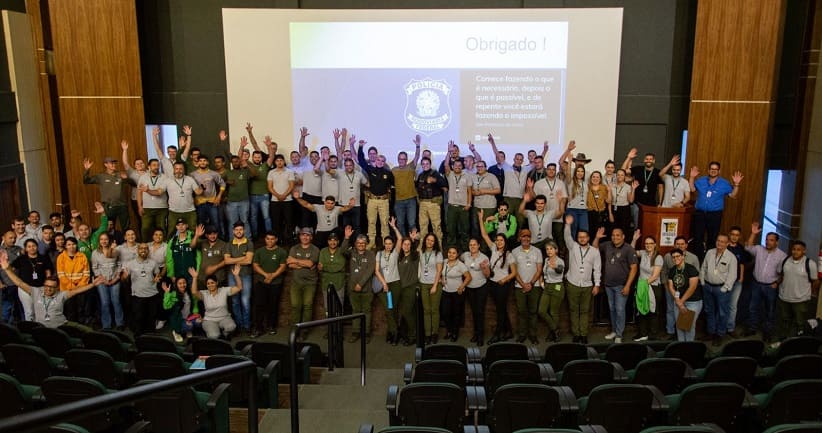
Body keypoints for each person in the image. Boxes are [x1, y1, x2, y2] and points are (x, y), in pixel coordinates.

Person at [0, 253, 102, 330]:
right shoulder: (36, 292)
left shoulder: (61, 295)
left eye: (52, 287)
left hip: (61, 327)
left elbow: (77, 290)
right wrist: (7, 269)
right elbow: (19, 283)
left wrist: (92, 284)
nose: (48, 289)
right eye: (46, 286)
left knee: (88, 331)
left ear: (57, 288)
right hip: (41, 329)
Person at [689, 162, 744, 258]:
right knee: (698, 237)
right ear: (708, 170)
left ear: (719, 171)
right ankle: (698, 259)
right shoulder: (701, 180)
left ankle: (710, 259)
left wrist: (736, 185)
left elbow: (733, 195)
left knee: (712, 238)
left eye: (716, 169)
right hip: (700, 214)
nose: (713, 171)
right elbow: (692, 189)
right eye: (711, 169)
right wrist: (692, 177)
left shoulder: (724, 183)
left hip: (714, 215)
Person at [744, 222, 787, 342]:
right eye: (767, 240)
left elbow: (784, 273)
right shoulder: (759, 249)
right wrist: (753, 234)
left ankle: (767, 332)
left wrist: (777, 283)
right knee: (753, 307)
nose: (768, 242)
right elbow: (747, 247)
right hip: (756, 284)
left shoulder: (782, 255)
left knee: (770, 310)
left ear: (777, 242)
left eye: (771, 240)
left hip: (770, 286)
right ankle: (752, 328)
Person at [593, 226, 638, 344]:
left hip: (622, 286)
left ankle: (619, 334)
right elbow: (594, 248)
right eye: (613, 235)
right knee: (612, 309)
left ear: (623, 237)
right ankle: (614, 331)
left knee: (619, 310)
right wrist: (597, 238)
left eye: (618, 235)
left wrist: (628, 285)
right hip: (608, 285)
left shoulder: (629, 249)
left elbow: (634, 268)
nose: (615, 237)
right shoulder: (607, 245)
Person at [563, 214, 601, 344]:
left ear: (588, 238)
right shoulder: (573, 247)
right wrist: (568, 225)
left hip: (587, 285)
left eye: (584, 237)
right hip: (572, 283)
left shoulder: (595, 252)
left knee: (585, 311)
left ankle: (583, 334)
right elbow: (567, 237)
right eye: (580, 237)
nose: (582, 239)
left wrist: (597, 285)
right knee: (573, 310)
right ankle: (576, 334)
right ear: (577, 238)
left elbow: (597, 269)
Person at [776, 240, 819, 342]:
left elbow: (815, 281)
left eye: (798, 250)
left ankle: (796, 342)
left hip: (801, 300)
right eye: (794, 249)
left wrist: (810, 293)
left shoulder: (810, 263)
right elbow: (780, 275)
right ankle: (783, 340)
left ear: (804, 251)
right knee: (784, 320)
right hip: (784, 298)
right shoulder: (785, 260)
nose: (795, 252)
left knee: (799, 322)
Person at [660, 236, 701, 339]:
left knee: (688, 326)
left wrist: (681, 302)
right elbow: (671, 286)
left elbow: (692, 287)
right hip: (678, 300)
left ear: (683, 256)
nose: (675, 258)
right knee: (680, 326)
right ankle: (681, 347)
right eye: (673, 257)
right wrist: (678, 301)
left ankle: (688, 350)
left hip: (692, 301)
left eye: (678, 256)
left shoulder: (691, 268)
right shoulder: (673, 270)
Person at [700, 233, 738, 346]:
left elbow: (733, 275)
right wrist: (702, 281)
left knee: (722, 313)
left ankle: (720, 334)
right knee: (709, 310)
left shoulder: (731, 257)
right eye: (718, 240)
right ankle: (711, 332)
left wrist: (725, 289)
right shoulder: (710, 252)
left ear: (727, 244)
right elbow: (703, 267)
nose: (719, 243)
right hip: (707, 286)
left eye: (722, 241)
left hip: (721, 289)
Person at [188, 265, 243, 339]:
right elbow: (194, 292)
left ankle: (224, 334)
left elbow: (239, 287)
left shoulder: (223, 290)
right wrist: (194, 278)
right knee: (214, 336)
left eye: (212, 283)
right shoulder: (204, 294)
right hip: (209, 320)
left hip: (224, 318)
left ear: (216, 283)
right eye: (208, 283)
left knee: (232, 327)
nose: (210, 285)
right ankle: (216, 333)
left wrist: (236, 275)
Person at [358, 144, 394, 250]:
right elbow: (361, 161)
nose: (380, 162)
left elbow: (393, 185)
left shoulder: (388, 173)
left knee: (384, 222)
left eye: (382, 161)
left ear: (384, 163)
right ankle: (372, 242)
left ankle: (385, 243)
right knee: (371, 221)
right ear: (375, 160)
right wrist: (360, 147)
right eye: (378, 160)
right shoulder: (370, 170)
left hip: (384, 201)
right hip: (372, 200)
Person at [251, 231, 288, 337]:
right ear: (265, 239)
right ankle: (258, 328)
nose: (270, 241)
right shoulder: (259, 251)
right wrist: (266, 275)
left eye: (272, 239)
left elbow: (282, 266)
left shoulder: (281, 252)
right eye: (268, 239)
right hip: (262, 282)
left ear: (276, 239)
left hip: (276, 283)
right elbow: (255, 265)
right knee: (259, 305)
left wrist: (272, 276)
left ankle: (271, 326)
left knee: (273, 305)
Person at [121, 243, 162, 336]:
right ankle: (138, 338)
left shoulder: (153, 263)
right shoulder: (130, 263)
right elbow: (123, 279)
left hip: (152, 294)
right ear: (137, 250)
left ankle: (151, 336)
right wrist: (124, 276)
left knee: (151, 317)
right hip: (137, 295)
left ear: (148, 250)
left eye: (146, 248)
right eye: (141, 248)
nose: (143, 250)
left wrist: (158, 278)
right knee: (138, 317)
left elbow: (157, 275)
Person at [374, 219, 404, 344]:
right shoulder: (379, 254)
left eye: (390, 243)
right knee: (388, 309)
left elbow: (400, 239)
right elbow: (376, 270)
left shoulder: (395, 254)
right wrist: (384, 283)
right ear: (384, 244)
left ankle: (391, 332)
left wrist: (394, 227)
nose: (388, 245)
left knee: (393, 308)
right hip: (384, 285)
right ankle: (395, 332)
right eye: (386, 243)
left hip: (395, 284)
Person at [510, 228, 543, 344]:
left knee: (533, 312)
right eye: (523, 236)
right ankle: (522, 335)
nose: (526, 238)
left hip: (535, 286)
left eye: (528, 236)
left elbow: (539, 270)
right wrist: (523, 284)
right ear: (520, 238)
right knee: (521, 312)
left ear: (531, 238)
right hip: (520, 287)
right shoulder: (514, 252)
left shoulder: (537, 251)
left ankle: (533, 335)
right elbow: (514, 271)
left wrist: (531, 284)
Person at [287, 227, 320, 338]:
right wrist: (304, 264)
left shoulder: (315, 249)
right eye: (303, 235)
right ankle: (295, 330)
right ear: (299, 236)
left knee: (307, 305)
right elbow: (289, 264)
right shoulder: (294, 248)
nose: (305, 237)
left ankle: (304, 330)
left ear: (311, 237)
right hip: (296, 282)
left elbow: (310, 263)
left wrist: (295, 261)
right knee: (295, 306)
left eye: (307, 235)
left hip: (310, 283)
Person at [245, 125, 277, 238]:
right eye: (255, 157)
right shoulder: (248, 166)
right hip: (252, 196)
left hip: (264, 196)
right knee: (253, 217)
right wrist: (249, 132)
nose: (257, 158)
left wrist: (269, 146)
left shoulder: (265, 165)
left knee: (266, 217)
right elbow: (254, 145)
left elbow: (272, 156)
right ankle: (254, 236)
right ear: (252, 158)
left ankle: (269, 236)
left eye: (259, 157)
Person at [83, 156, 130, 231]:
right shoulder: (100, 176)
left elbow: (133, 184)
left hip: (122, 205)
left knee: (126, 228)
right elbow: (86, 181)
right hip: (108, 206)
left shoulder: (120, 174)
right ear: (106, 165)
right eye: (111, 163)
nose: (114, 164)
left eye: (114, 163)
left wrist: (127, 178)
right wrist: (87, 169)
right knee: (109, 228)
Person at [12, 239, 53, 322]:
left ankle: (40, 329)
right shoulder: (21, 259)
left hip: (41, 288)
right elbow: (11, 269)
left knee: (41, 310)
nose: (32, 248)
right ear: (26, 249)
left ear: (37, 247)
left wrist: (48, 285)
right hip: (25, 288)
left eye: (33, 246)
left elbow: (48, 271)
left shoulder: (43, 258)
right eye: (29, 246)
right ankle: (30, 331)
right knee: (29, 312)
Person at [632, 233, 663, 341]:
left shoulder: (658, 257)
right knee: (641, 310)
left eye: (650, 243)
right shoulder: (643, 253)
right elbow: (630, 252)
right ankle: (642, 333)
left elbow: (655, 276)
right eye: (646, 243)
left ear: (655, 244)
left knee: (652, 311)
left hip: (652, 287)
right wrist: (634, 239)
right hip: (642, 286)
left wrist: (643, 284)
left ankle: (653, 335)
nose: (648, 245)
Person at [224, 222, 254, 334]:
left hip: (246, 275)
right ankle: (238, 325)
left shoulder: (249, 243)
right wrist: (242, 258)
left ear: (244, 230)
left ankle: (246, 326)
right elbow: (227, 261)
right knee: (235, 301)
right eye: (236, 230)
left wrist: (234, 259)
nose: (239, 231)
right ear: (233, 231)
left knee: (245, 300)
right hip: (232, 275)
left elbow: (249, 261)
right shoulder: (229, 244)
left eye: (241, 229)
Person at [346, 234, 376, 342]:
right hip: (353, 289)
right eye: (358, 243)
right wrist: (346, 238)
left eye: (363, 243)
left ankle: (366, 333)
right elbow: (342, 251)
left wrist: (361, 284)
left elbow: (370, 270)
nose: (361, 245)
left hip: (366, 289)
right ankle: (355, 332)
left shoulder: (371, 254)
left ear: (366, 244)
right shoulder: (351, 253)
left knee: (366, 311)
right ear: (355, 244)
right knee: (355, 311)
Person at [460, 238, 489, 345]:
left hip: (481, 287)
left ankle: (480, 336)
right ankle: (476, 334)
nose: (472, 246)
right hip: (470, 288)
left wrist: (484, 268)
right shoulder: (465, 255)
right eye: (470, 245)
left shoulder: (484, 258)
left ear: (479, 246)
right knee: (473, 311)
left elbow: (488, 275)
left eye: (474, 244)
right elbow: (459, 260)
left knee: (480, 312)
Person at [91, 233, 123, 330]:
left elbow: (119, 265)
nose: (104, 241)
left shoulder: (116, 251)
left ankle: (120, 323)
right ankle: (106, 325)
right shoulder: (95, 253)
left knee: (116, 301)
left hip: (115, 280)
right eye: (101, 239)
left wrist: (115, 279)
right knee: (105, 302)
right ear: (99, 241)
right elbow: (95, 268)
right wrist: (103, 280)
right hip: (101, 281)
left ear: (109, 240)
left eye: (106, 239)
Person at [56, 237, 90, 323]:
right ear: (65, 246)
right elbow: (61, 274)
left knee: (81, 309)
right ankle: (72, 328)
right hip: (66, 289)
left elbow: (86, 274)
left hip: (81, 288)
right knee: (70, 310)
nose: (71, 246)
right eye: (69, 244)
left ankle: (82, 328)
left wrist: (79, 286)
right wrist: (71, 287)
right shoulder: (61, 257)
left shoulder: (82, 256)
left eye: (73, 244)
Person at [392, 136, 421, 236]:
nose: (401, 161)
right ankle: (403, 241)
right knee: (400, 223)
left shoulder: (410, 167)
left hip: (411, 200)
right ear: (397, 159)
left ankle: (412, 242)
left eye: (403, 159)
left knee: (412, 223)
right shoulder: (394, 170)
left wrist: (417, 146)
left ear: (406, 160)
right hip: (398, 201)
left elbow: (417, 156)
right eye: (400, 159)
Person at [419, 233, 444, 344]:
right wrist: (414, 238)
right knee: (426, 310)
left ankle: (434, 334)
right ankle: (427, 334)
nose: (430, 242)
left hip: (435, 285)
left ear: (435, 243)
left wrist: (434, 285)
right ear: (425, 241)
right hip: (423, 284)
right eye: (428, 240)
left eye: (432, 241)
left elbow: (439, 270)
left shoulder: (438, 254)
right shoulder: (421, 252)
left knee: (434, 310)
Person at [444, 158, 474, 252]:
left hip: (463, 207)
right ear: (453, 167)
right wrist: (448, 152)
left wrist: (469, 204)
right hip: (452, 206)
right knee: (450, 228)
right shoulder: (450, 174)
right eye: (455, 165)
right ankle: (451, 248)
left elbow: (469, 191)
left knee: (465, 229)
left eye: (459, 165)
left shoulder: (467, 176)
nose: (457, 167)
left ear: (462, 167)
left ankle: (465, 249)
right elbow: (446, 165)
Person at [319, 228, 350, 318]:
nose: (333, 242)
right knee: (327, 308)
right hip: (326, 283)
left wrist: (326, 267)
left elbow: (340, 266)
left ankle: (338, 330)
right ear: (327, 241)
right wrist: (327, 267)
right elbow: (320, 267)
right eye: (330, 240)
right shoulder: (323, 251)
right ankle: (330, 330)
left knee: (338, 307)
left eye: (335, 240)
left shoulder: (342, 251)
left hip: (339, 282)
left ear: (338, 241)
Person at [166, 161, 203, 234]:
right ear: (173, 169)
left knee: (193, 231)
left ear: (184, 170)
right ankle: (169, 245)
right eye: (176, 169)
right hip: (174, 211)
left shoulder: (190, 179)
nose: (178, 171)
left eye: (180, 169)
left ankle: (193, 245)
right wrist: (148, 190)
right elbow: (159, 192)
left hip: (190, 211)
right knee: (171, 231)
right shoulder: (168, 180)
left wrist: (202, 188)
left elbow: (198, 192)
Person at [396, 230, 420, 346]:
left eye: (408, 244)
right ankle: (406, 334)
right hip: (401, 288)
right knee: (407, 312)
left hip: (411, 288)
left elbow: (418, 249)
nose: (406, 246)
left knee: (407, 312)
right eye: (404, 244)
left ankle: (413, 336)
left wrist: (415, 240)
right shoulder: (399, 258)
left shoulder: (414, 256)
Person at [415, 157, 447, 244]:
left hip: (433, 203)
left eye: (427, 164)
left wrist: (435, 180)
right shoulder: (420, 175)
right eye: (423, 164)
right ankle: (422, 245)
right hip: (423, 203)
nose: (425, 165)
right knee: (423, 226)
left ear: (430, 164)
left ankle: (439, 246)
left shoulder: (435, 173)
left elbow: (444, 185)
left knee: (436, 226)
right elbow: (417, 188)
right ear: (421, 165)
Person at [137, 156, 169, 241]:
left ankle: (163, 247)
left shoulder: (164, 177)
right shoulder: (143, 177)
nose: (157, 167)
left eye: (158, 165)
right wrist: (140, 206)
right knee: (145, 228)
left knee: (162, 227)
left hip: (161, 208)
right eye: (154, 165)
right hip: (147, 208)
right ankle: (146, 246)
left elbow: (159, 192)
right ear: (149, 167)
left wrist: (147, 190)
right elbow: (139, 192)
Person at [334, 157, 368, 237]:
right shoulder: (340, 173)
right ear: (344, 166)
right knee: (346, 226)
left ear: (353, 165)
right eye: (346, 165)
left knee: (357, 226)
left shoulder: (359, 174)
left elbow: (367, 183)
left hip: (356, 205)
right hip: (344, 204)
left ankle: (357, 243)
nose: (348, 167)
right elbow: (329, 171)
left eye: (350, 165)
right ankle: (347, 243)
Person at [539, 240, 565, 342]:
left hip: (557, 286)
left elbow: (560, 270)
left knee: (554, 312)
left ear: (556, 250)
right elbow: (544, 272)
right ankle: (555, 330)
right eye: (547, 249)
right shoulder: (546, 260)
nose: (549, 251)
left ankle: (553, 333)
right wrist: (542, 279)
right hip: (547, 286)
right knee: (542, 311)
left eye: (551, 249)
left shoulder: (560, 261)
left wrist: (555, 267)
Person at [268, 153, 297, 244]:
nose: (279, 162)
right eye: (277, 160)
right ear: (275, 162)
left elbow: (291, 185)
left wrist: (284, 195)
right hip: (275, 200)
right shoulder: (271, 172)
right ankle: (277, 240)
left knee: (289, 221)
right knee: (276, 222)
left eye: (281, 160)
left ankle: (289, 239)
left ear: (284, 161)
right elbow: (270, 187)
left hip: (287, 200)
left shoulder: (289, 171)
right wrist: (278, 196)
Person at [726, 225, 748, 337]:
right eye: (733, 234)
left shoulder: (740, 248)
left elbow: (742, 264)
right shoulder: (724, 246)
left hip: (736, 281)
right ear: (729, 235)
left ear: (739, 236)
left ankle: (730, 328)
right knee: (722, 304)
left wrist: (741, 277)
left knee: (733, 306)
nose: (734, 237)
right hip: (724, 281)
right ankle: (719, 327)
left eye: (737, 235)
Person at [161, 277, 200, 342]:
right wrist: (167, 293)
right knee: (189, 326)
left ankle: (188, 329)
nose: (182, 285)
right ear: (176, 284)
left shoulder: (189, 292)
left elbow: (195, 304)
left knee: (199, 322)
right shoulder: (173, 294)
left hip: (188, 316)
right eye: (180, 283)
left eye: (184, 283)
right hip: (178, 319)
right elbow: (166, 306)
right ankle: (176, 332)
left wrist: (196, 313)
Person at [471, 160, 502, 239]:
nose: (479, 168)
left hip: (489, 206)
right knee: (476, 227)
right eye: (478, 166)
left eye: (481, 166)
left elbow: (498, 190)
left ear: (485, 167)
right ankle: (478, 246)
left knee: (487, 227)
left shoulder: (491, 176)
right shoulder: (473, 177)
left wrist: (484, 191)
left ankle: (488, 247)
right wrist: (474, 192)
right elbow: (470, 190)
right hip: (477, 206)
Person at [165, 219, 201, 287]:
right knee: (179, 296)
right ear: (176, 227)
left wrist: (198, 272)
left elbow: (199, 257)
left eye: (183, 224)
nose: (181, 227)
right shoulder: (172, 241)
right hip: (178, 275)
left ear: (187, 225)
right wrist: (171, 274)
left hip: (191, 275)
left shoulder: (193, 238)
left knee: (193, 295)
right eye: (178, 225)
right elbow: (169, 259)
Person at [224, 155, 252, 238]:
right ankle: (232, 240)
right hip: (231, 202)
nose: (235, 163)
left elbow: (255, 174)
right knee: (232, 222)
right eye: (233, 162)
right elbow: (219, 181)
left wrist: (247, 165)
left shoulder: (245, 171)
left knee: (245, 221)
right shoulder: (228, 172)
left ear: (239, 162)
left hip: (244, 201)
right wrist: (226, 182)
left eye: (236, 161)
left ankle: (248, 240)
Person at [0, 231, 22, 323]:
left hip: (19, 284)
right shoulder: (0, 251)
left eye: (14, 238)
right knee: (7, 310)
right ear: (3, 238)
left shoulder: (19, 249)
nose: (13, 240)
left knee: (19, 310)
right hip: (6, 284)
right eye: (10, 238)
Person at [608, 169, 636, 239]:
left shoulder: (628, 187)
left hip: (625, 210)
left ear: (625, 177)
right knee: (613, 230)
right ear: (616, 176)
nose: (620, 176)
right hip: (614, 209)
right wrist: (610, 214)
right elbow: (609, 201)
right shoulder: (611, 186)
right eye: (618, 175)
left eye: (622, 175)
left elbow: (631, 201)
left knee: (624, 230)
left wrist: (633, 189)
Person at [587, 171, 610, 237]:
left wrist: (609, 191)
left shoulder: (604, 187)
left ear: (600, 179)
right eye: (593, 177)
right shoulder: (587, 187)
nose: (595, 178)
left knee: (600, 233)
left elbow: (608, 201)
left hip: (600, 214)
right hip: (589, 214)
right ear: (591, 178)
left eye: (597, 177)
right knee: (590, 232)